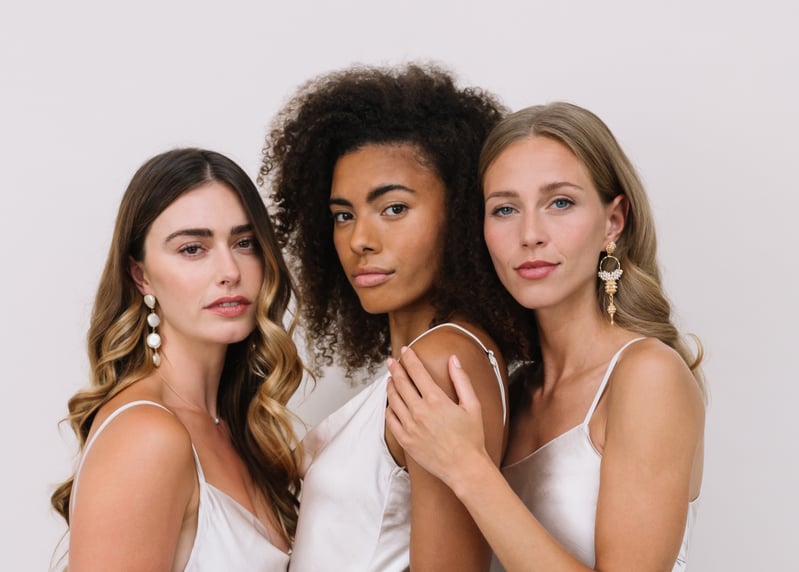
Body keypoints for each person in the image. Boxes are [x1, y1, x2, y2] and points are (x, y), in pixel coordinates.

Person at [385, 102, 706, 571]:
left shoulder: (648, 376)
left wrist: (467, 467)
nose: (530, 234)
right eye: (505, 209)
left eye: (560, 202)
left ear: (613, 222)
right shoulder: (511, 393)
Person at [260, 64, 533, 571]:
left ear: (460, 214)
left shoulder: (442, 364)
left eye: (393, 209)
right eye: (343, 215)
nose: (359, 240)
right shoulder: (427, 361)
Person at [50, 148, 304, 570]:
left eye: (244, 243)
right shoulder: (147, 435)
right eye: (192, 248)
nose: (230, 271)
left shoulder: (236, 427)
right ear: (141, 276)